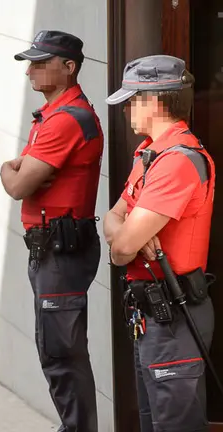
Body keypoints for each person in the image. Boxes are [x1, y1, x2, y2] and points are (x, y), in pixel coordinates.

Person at [0, 30, 103, 432]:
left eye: (41, 63)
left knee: (62, 354)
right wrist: (20, 170)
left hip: (62, 250)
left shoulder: (66, 120)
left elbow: (18, 184)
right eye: (31, 63)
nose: (31, 71)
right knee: (57, 351)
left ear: (69, 67)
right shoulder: (52, 115)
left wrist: (7, 169)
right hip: (51, 249)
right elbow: (26, 174)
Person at [104, 55, 215, 432]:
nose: (126, 110)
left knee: (175, 425)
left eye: (131, 100)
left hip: (174, 316)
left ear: (152, 101)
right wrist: (126, 231)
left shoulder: (176, 161)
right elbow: (112, 217)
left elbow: (120, 250)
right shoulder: (151, 153)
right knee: (153, 422)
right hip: (152, 315)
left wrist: (126, 236)